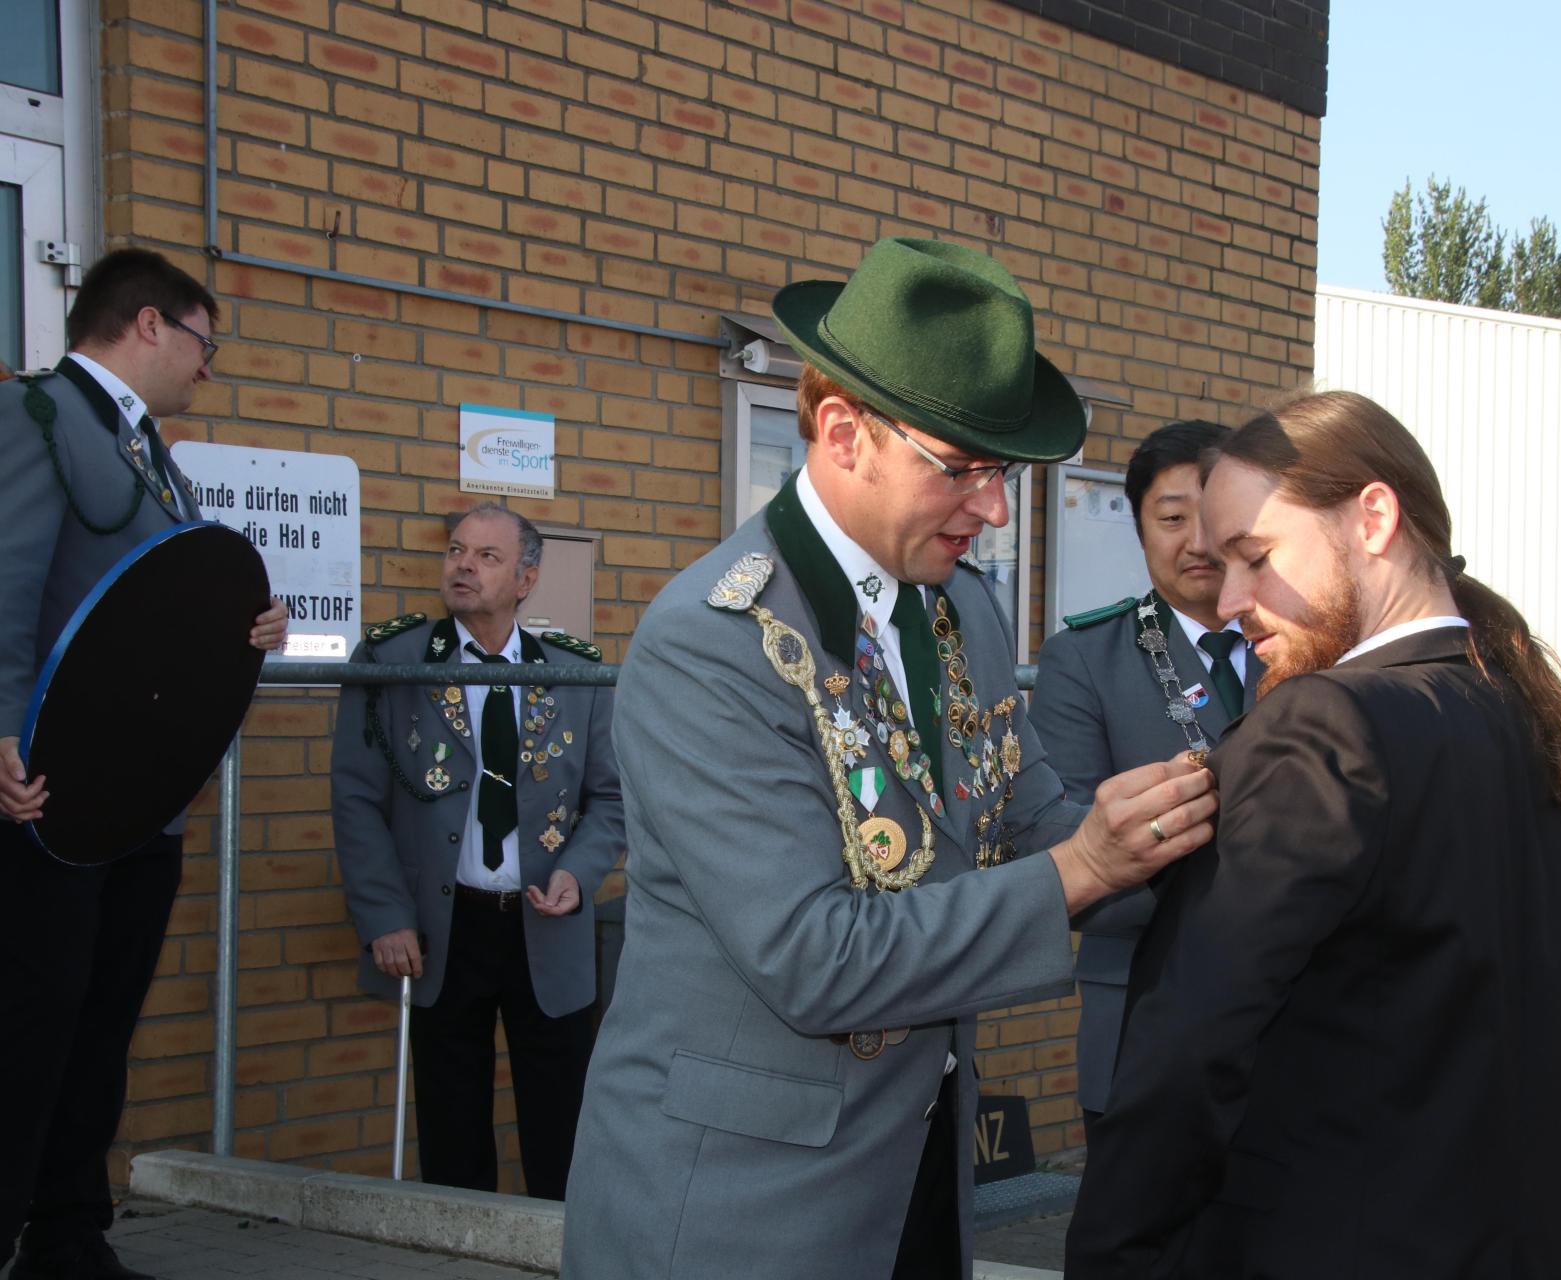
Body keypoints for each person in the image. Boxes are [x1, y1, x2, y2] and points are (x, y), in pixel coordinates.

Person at [561, 236, 1217, 1280]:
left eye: (1001, 472)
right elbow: (815, 956)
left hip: (913, 1180)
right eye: (960, 469)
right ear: (840, 432)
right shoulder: (712, 640)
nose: (996, 508)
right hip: (740, 1210)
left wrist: (1217, 833)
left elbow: (1031, 818)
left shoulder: (963, 607)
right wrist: (1084, 865)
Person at [1067, 392, 1561, 1278]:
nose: (1231, 598)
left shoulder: (1319, 729)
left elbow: (1188, 1058)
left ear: (1374, 518)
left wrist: (1117, 1260)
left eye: (1256, 556)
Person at [0, 249, 289, 1279]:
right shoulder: (40, 418)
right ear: (152, 325)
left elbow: (152, 604)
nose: (206, 369)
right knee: (30, 1031)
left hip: (137, 806)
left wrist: (246, 622)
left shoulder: (148, 453)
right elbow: (8, 574)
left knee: (99, 1029)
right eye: (205, 344)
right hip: (49, 797)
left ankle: (67, 1236)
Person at [331, 504, 624, 1198]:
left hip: (545, 927)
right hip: (441, 928)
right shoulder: (394, 661)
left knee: (563, 1127)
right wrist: (384, 915)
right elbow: (356, 799)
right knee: (451, 1125)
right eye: (457, 551)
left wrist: (579, 878)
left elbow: (611, 800)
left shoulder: (572, 674)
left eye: (486, 557)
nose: (463, 565)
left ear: (526, 579)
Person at [1030, 419, 1263, 1134]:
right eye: (1171, 518)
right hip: (1141, 1017)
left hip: (1296, 1032)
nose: (1197, 542)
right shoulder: (1088, 660)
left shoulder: (1307, 645)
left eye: (1216, 517)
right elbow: (1067, 850)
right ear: (1139, 530)